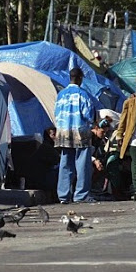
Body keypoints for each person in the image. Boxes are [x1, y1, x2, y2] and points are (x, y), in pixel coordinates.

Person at [54, 68, 96, 204]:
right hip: (80, 131)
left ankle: (63, 195)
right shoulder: (83, 95)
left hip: (63, 131)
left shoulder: (61, 95)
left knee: (65, 164)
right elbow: (88, 115)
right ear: (80, 78)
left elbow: (56, 114)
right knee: (82, 164)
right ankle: (81, 195)